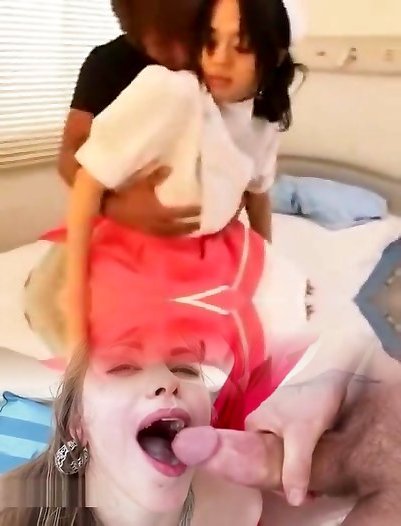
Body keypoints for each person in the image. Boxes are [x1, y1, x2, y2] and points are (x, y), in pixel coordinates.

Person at [0, 328, 263, 525]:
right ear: (78, 425)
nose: (167, 380)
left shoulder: (240, 505)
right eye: (123, 367)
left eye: (185, 369)